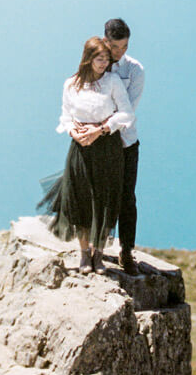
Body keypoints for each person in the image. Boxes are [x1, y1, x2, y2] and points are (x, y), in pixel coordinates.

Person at [40, 36, 134, 273]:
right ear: (88, 58)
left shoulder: (112, 81)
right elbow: (65, 116)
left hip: (106, 145)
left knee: (105, 198)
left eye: (106, 59)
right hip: (81, 145)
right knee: (80, 197)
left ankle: (99, 254)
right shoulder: (71, 83)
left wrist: (101, 129)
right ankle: (84, 254)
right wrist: (74, 132)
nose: (103, 63)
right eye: (98, 59)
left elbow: (126, 114)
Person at [104, 17, 144, 276]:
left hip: (125, 141)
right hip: (100, 143)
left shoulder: (136, 70)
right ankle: (96, 245)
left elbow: (128, 109)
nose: (119, 53)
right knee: (100, 193)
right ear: (105, 41)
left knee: (127, 197)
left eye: (124, 47)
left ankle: (126, 250)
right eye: (115, 47)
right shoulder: (96, 64)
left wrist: (106, 126)